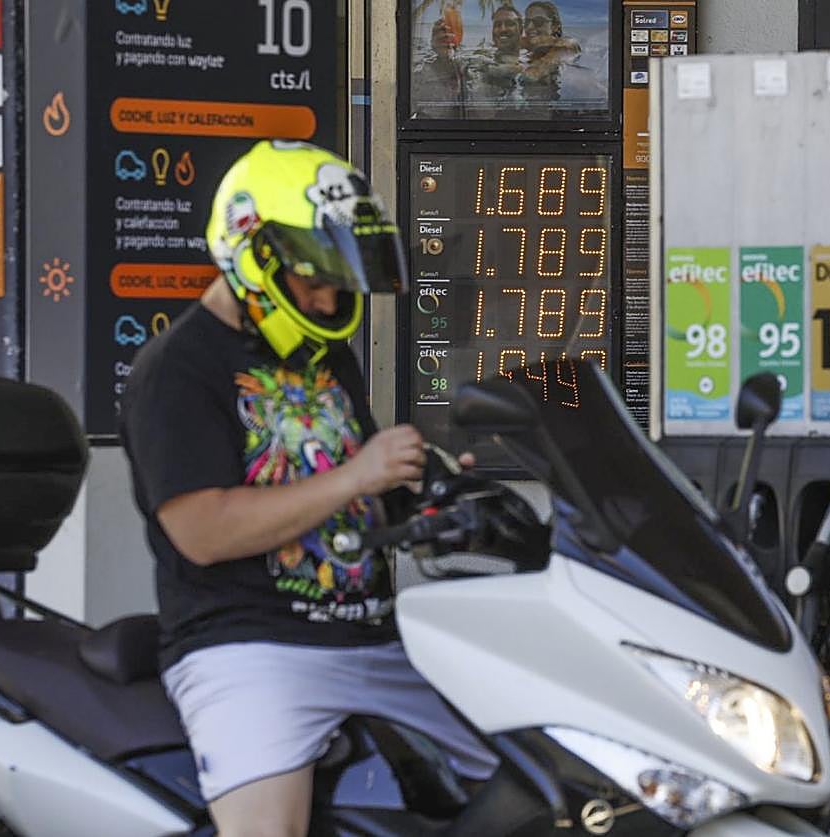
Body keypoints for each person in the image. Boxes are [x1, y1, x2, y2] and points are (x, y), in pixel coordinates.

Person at [120, 141, 498, 836]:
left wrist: (430, 490)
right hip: (250, 648)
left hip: (377, 639)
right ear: (254, 254)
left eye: (337, 277)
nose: (329, 297)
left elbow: (362, 490)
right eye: (313, 276)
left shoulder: (325, 359)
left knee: (525, 784)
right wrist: (355, 474)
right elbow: (202, 531)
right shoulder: (176, 371)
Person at [520, 1, 581, 101]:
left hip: (551, 94)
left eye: (538, 22)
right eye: (526, 22)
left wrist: (545, 62)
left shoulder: (565, 44)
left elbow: (571, 46)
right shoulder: (525, 43)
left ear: (554, 26)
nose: (529, 27)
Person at [411, 15, 469, 117]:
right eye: (441, 33)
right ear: (433, 43)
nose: (446, 36)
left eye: (451, 33)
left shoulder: (470, 72)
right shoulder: (419, 76)